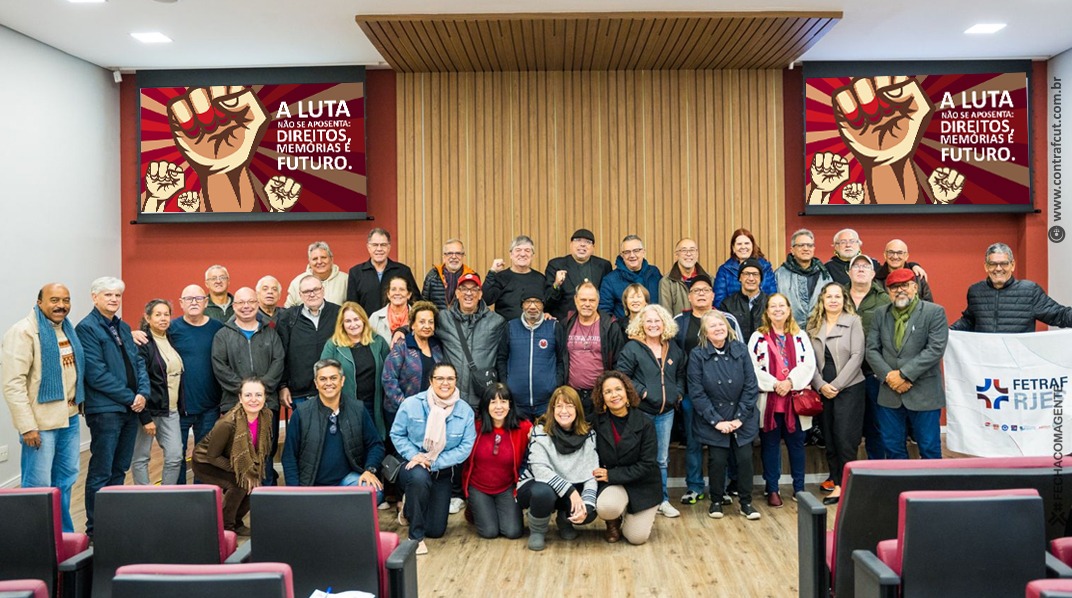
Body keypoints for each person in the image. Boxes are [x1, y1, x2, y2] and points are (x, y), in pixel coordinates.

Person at [1, 283, 84, 532]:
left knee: (65, 481)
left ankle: (64, 538)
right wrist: (27, 427)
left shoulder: (67, 329)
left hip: (69, 419)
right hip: (40, 425)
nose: (61, 305)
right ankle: (35, 543)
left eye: (66, 300)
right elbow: (13, 384)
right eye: (55, 300)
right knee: (39, 486)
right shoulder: (24, 332)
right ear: (40, 302)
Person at [76, 277, 151, 537]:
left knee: (120, 469)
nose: (113, 299)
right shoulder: (86, 328)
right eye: (107, 295)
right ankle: (96, 530)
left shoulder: (123, 326)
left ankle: (114, 523)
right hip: (106, 411)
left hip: (130, 410)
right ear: (94, 297)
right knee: (101, 471)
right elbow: (96, 373)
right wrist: (131, 397)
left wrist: (143, 393)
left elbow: (138, 363)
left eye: (117, 295)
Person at [671, 275, 743, 506]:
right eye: (696, 290)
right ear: (689, 296)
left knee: (722, 443)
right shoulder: (679, 321)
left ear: (713, 295)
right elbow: (673, 356)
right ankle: (694, 487)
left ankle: (719, 489)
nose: (701, 293)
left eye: (706, 290)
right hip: (693, 394)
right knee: (693, 441)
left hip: (725, 396)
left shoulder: (727, 319)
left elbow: (740, 354)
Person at [391, 362, 476, 556]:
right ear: (431, 381)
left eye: (450, 378)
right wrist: (415, 456)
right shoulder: (412, 404)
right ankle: (415, 537)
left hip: (441, 470)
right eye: (439, 378)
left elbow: (465, 447)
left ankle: (408, 509)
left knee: (436, 531)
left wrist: (433, 462)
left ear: (456, 381)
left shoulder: (464, 411)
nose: (445, 383)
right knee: (419, 477)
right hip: (412, 467)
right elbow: (397, 434)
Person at [867, 269, 949, 459]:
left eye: (904, 285)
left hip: (924, 392)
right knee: (892, 447)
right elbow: (871, 349)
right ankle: (900, 488)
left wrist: (903, 375)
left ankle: (930, 489)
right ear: (888, 292)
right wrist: (889, 376)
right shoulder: (880, 314)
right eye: (894, 287)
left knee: (929, 448)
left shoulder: (934, 312)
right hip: (890, 392)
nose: (899, 290)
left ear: (915, 287)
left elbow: (935, 349)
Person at [687, 310, 761, 520]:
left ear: (727, 328)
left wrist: (739, 418)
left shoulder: (740, 349)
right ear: (705, 333)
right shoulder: (697, 355)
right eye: (712, 326)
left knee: (745, 459)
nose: (718, 329)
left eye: (721, 325)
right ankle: (716, 501)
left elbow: (750, 385)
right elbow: (696, 392)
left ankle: (746, 503)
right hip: (714, 419)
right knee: (717, 461)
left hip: (741, 417)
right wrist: (717, 421)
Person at [747, 292, 816, 507]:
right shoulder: (758, 337)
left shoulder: (800, 336)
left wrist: (790, 382)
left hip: (795, 400)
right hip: (769, 399)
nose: (778, 310)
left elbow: (809, 364)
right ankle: (773, 488)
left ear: (788, 310)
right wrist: (775, 384)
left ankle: (799, 487)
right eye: (773, 306)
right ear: (767, 312)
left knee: (797, 445)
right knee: (770, 445)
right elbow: (752, 367)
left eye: (781, 306)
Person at [616, 304, 684, 518]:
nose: (653, 325)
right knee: (638, 458)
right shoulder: (632, 348)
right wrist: (643, 393)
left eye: (657, 321)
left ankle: (662, 500)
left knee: (661, 459)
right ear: (641, 324)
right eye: (649, 321)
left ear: (664, 323)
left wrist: (678, 393)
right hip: (641, 412)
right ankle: (636, 501)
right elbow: (623, 376)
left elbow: (680, 374)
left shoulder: (673, 348)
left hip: (666, 413)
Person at [211, 287, 285, 484]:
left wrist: (260, 391)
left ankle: (266, 497)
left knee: (266, 451)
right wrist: (246, 392)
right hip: (233, 403)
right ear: (234, 306)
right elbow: (220, 367)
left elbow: (279, 361)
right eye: (241, 303)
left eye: (251, 302)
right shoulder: (222, 335)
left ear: (257, 304)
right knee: (238, 452)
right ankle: (239, 501)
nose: (246, 307)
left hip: (268, 403)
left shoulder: (270, 333)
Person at [282, 359, 385, 495]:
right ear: (316, 383)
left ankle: (331, 510)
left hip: (346, 481)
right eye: (323, 379)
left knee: (374, 492)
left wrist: (369, 470)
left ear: (342, 381)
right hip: (311, 484)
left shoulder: (357, 409)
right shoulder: (301, 413)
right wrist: (295, 493)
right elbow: (289, 456)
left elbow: (375, 445)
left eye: (333, 378)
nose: (328, 383)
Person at [516, 386, 598, 551]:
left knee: (590, 511)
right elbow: (540, 470)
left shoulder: (588, 434)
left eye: (569, 405)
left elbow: (592, 474)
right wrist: (572, 492)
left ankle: (564, 521)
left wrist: (587, 504)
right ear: (552, 409)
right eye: (558, 406)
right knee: (543, 492)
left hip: (570, 485)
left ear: (577, 409)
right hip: (536, 484)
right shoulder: (540, 431)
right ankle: (537, 531)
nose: (564, 411)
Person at [806, 282, 865, 505]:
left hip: (849, 388)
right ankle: (835, 480)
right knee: (829, 438)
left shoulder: (853, 322)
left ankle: (845, 487)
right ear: (822, 300)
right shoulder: (813, 325)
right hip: (823, 389)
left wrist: (837, 385)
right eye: (828, 296)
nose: (833, 300)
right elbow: (808, 360)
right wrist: (820, 385)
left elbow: (858, 356)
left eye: (837, 296)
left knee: (845, 438)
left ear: (844, 300)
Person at [192, 378, 274, 534]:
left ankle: (236, 522)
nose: (254, 400)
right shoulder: (227, 423)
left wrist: (250, 472)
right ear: (240, 398)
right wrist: (242, 472)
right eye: (248, 395)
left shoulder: (266, 417)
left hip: (232, 460)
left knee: (255, 484)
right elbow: (212, 457)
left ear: (265, 397)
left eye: (258, 395)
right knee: (240, 484)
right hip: (206, 462)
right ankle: (226, 527)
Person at [590, 371, 661, 545]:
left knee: (637, 538)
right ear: (602, 397)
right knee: (607, 507)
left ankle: (631, 515)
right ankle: (613, 521)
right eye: (608, 392)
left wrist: (611, 475)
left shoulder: (645, 424)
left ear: (627, 392)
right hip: (615, 485)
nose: (614, 395)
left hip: (643, 485)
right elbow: (572, 430)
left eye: (618, 389)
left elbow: (647, 465)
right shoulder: (595, 422)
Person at [460, 384, 532, 540]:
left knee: (513, 532)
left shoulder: (524, 427)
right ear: (486, 405)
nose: (499, 407)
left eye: (503, 401)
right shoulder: (474, 427)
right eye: (493, 402)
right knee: (489, 532)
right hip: (478, 487)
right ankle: (474, 507)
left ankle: (494, 511)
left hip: (506, 487)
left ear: (510, 404)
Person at [168, 285, 224, 483]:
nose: (194, 302)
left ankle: (201, 499)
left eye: (198, 298)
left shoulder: (217, 328)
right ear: (181, 303)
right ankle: (180, 499)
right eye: (189, 298)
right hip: (179, 406)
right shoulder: (171, 328)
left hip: (209, 406)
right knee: (176, 458)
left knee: (204, 458)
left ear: (206, 302)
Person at [951, 242, 1072, 332]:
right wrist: (946, 332)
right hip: (985, 361)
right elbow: (969, 321)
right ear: (986, 267)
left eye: (1004, 263)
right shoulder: (975, 291)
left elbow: (1059, 315)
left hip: (1018, 362)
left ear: (1012, 265)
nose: (998, 268)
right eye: (993, 264)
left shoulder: (1030, 291)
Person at [131, 299, 184, 486]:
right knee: (140, 458)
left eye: (166, 314)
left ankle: (165, 496)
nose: (163, 319)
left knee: (175, 456)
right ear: (147, 317)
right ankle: (144, 498)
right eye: (158, 314)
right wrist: (145, 417)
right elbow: (138, 380)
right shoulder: (141, 342)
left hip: (170, 410)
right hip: (149, 410)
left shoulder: (171, 338)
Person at [435, 272, 506, 409]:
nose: (469, 293)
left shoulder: (496, 321)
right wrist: (401, 331)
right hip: (451, 399)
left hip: (483, 400)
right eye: (464, 289)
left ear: (480, 294)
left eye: (474, 289)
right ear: (457, 293)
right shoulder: (443, 318)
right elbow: (420, 325)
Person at [319, 302, 390, 438]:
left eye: (356, 319)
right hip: (344, 406)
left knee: (373, 445)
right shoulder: (333, 345)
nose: (353, 324)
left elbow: (389, 372)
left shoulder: (378, 342)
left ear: (363, 320)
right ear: (342, 324)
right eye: (348, 321)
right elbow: (323, 373)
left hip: (374, 405)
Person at [846, 254, 891, 461]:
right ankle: (843, 474)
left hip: (873, 373)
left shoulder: (884, 299)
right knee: (846, 427)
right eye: (856, 266)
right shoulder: (839, 296)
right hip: (844, 374)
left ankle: (877, 470)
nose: (861, 269)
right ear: (849, 272)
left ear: (874, 273)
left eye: (865, 266)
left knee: (877, 425)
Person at [556, 282, 625, 414]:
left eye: (591, 300)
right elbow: (559, 359)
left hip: (600, 395)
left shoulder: (610, 326)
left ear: (598, 301)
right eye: (583, 299)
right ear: (576, 300)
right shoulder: (566, 323)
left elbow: (619, 362)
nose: (587, 304)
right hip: (572, 395)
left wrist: (611, 392)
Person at [277, 274, 341, 410]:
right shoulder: (288, 317)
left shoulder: (339, 313)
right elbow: (281, 354)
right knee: (305, 430)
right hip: (300, 393)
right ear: (300, 294)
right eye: (306, 291)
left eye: (316, 290)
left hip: (333, 389)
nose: (311, 294)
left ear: (323, 290)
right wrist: (283, 386)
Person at [496, 292, 562, 420]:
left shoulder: (554, 327)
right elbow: (501, 358)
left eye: (537, 302)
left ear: (543, 306)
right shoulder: (510, 327)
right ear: (522, 305)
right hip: (517, 403)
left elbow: (561, 359)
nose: (532, 306)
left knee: (545, 439)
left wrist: (556, 385)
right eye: (528, 302)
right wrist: (506, 384)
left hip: (546, 403)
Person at [382, 301, 444, 432]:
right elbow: (388, 378)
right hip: (402, 412)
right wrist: (405, 406)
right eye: (422, 322)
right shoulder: (402, 346)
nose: (427, 326)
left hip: (429, 412)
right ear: (412, 325)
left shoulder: (437, 346)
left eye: (430, 322)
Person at [347, 228, 422, 316]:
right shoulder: (356, 273)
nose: (379, 249)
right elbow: (352, 307)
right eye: (375, 245)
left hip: (399, 327)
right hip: (367, 327)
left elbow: (416, 302)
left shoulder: (403, 271)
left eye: (383, 245)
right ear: (368, 247)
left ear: (389, 247)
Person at [543, 228, 614, 321]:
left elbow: (607, 297)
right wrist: (556, 285)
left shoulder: (603, 265)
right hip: (565, 322)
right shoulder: (556, 265)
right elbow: (547, 301)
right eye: (578, 240)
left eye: (588, 242)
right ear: (571, 244)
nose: (582, 244)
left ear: (593, 247)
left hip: (595, 323)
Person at [774, 229, 833, 327]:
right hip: (788, 331)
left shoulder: (824, 274)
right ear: (792, 250)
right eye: (801, 245)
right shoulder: (779, 275)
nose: (806, 248)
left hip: (819, 331)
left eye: (809, 245)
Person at [483, 235, 547, 321]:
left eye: (527, 250)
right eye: (518, 250)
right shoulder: (501, 277)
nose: (523, 254)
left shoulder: (540, 279)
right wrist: (492, 272)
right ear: (511, 254)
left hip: (534, 330)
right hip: (505, 330)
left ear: (532, 255)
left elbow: (547, 305)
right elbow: (486, 300)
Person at [599, 235, 662, 319]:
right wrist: (617, 329)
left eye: (636, 251)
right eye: (627, 252)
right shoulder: (610, 280)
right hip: (623, 330)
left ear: (643, 252)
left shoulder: (654, 273)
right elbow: (604, 312)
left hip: (653, 327)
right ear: (622, 255)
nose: (632, 255)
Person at [713, 228, 778, 307]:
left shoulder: (766, 268)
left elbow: (773, 298)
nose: (743, 247)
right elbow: (719, 302)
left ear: (752, 246)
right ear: (733, 248)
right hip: (733, 316)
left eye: (747, 243)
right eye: (739, 244)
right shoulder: (724, 271)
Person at [719, 257, 769, 343]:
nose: (751, 278)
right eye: (746, 274)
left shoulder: (770, 303)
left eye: (755, 274)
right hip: (737, 354)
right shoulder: (727, 305)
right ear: (739, 278)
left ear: (761, 278)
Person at [658, 238, 712, 317]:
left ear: (697, 254)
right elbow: (666, 316)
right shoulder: (667, 282)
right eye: (684, 250)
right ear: (676, 255)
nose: (688, 254)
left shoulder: (709, 279)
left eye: (692, 250)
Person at [285, 241, 349, 307]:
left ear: (331, 259)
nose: (319, 262)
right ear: (309, 262)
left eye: (323, 257)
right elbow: (288, 310)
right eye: (315, 259)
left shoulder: (346, 280)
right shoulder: (297, 283)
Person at [422, 238, 477, 311]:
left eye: (458, 253)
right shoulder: (432, 276)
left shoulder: (472, 277)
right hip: (438, 321)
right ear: (444, 257)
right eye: (450, 253)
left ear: (463, 256)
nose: (454, 257)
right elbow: (423, 304)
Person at [368, 275, 413, 345]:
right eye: (393, 289)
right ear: (388, 294)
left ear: (409, 295)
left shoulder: (417, 317)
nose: (397, 293)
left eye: (402, 289)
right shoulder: (375, 317)